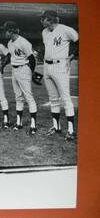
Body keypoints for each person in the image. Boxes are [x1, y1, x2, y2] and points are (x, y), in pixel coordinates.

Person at [40, 10, 78, 141]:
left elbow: (80, 41)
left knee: (66, 98)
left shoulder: (66, 30)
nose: (41, 21)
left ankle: (71, 131)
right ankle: (56, 128)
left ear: (50, 19)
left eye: (43, 18)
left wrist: (72, 56)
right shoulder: (44, 32)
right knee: (53, 99)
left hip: (60, 65)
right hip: (47, 66)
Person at [0, 21, 38, 135]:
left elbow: (32, 59)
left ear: (11, 31)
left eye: (5, 30)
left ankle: (33, 125)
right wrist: (3, 65)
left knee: (28, 97)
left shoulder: (23, 42)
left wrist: (31, 72)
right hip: (14, 70)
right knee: (18, 97)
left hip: (24, 68)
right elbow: (11, 56)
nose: (4, 32)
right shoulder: (10, 43)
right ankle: (19, 123)